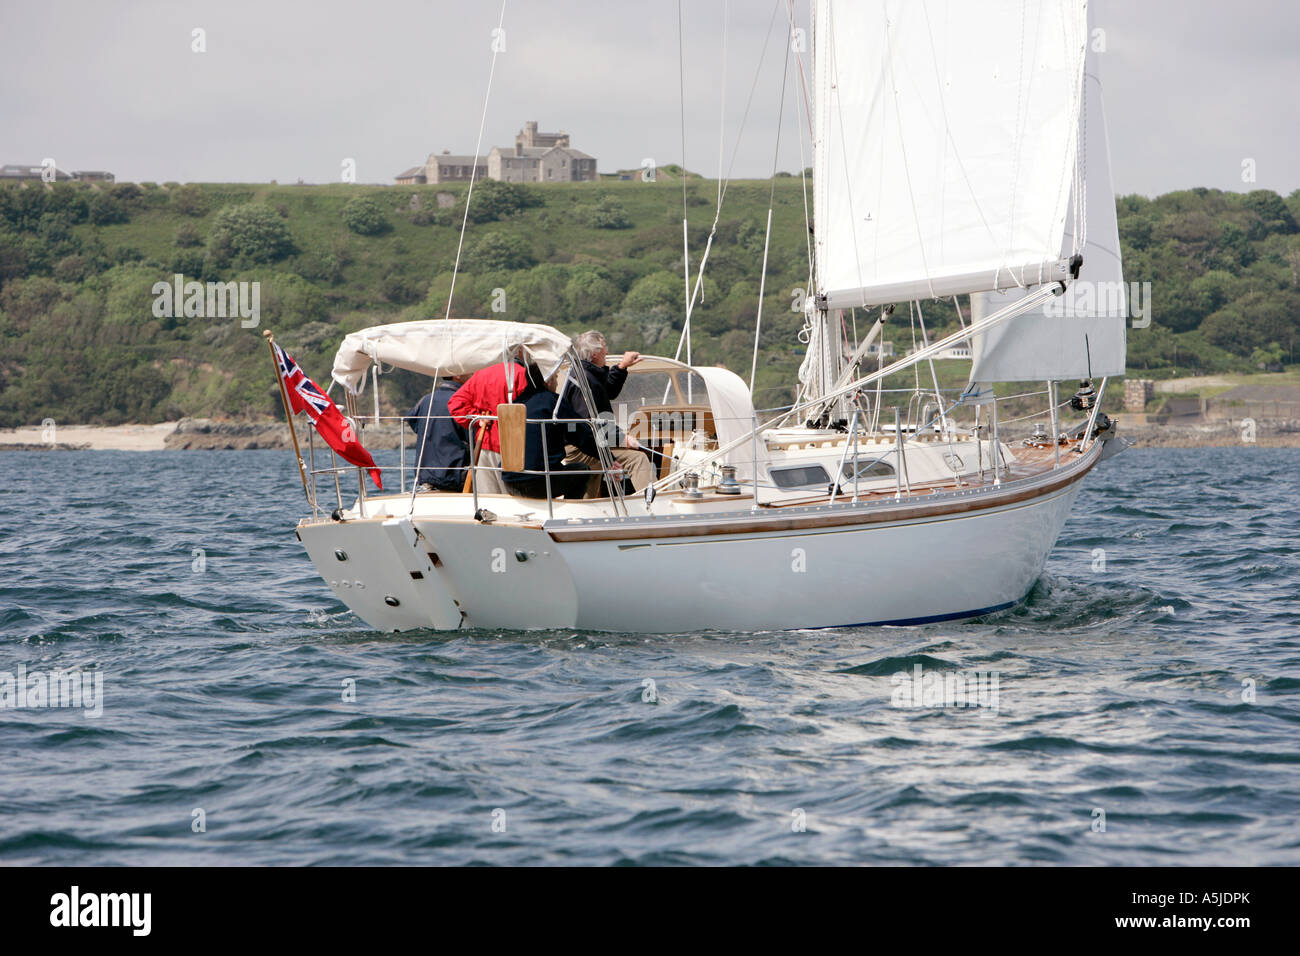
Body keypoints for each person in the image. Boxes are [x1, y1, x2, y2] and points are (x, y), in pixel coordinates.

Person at [562, 330, 655, 496]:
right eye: (605, 346)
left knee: (591, 479)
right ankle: (654, 503)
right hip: (580, 448)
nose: (608, 351)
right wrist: (622, 439)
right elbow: (587, 425)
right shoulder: (585, 379)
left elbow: (609, 391)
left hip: (587, 443)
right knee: (638, 459)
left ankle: (586, 507)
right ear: (596, 353)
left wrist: (622, 367)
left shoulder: (587, 374)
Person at [501, 364, 601, 500]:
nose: (556, 382)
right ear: (547, 381)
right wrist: (607, 458)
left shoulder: (516, 404)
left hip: (510, 481)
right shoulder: (553, 402)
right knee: (581, 470)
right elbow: (580, 435)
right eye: (556, 378)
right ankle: (570, 512)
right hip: (539, 483)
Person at [447, 359, 529, 494]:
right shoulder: (522, 374)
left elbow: (456, 404)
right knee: (514, 498)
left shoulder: (481, 374)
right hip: (514, 447)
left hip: (485, 444)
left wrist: (477, 418)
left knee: (487, 499)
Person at [404, 374, 470, 492]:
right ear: (457, 375)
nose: (473, 374)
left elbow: (412, 419)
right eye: (470, 371)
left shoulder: (425, 400)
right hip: (454, 478)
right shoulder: (462, 401)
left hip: (426, 476)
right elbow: (473, 436)